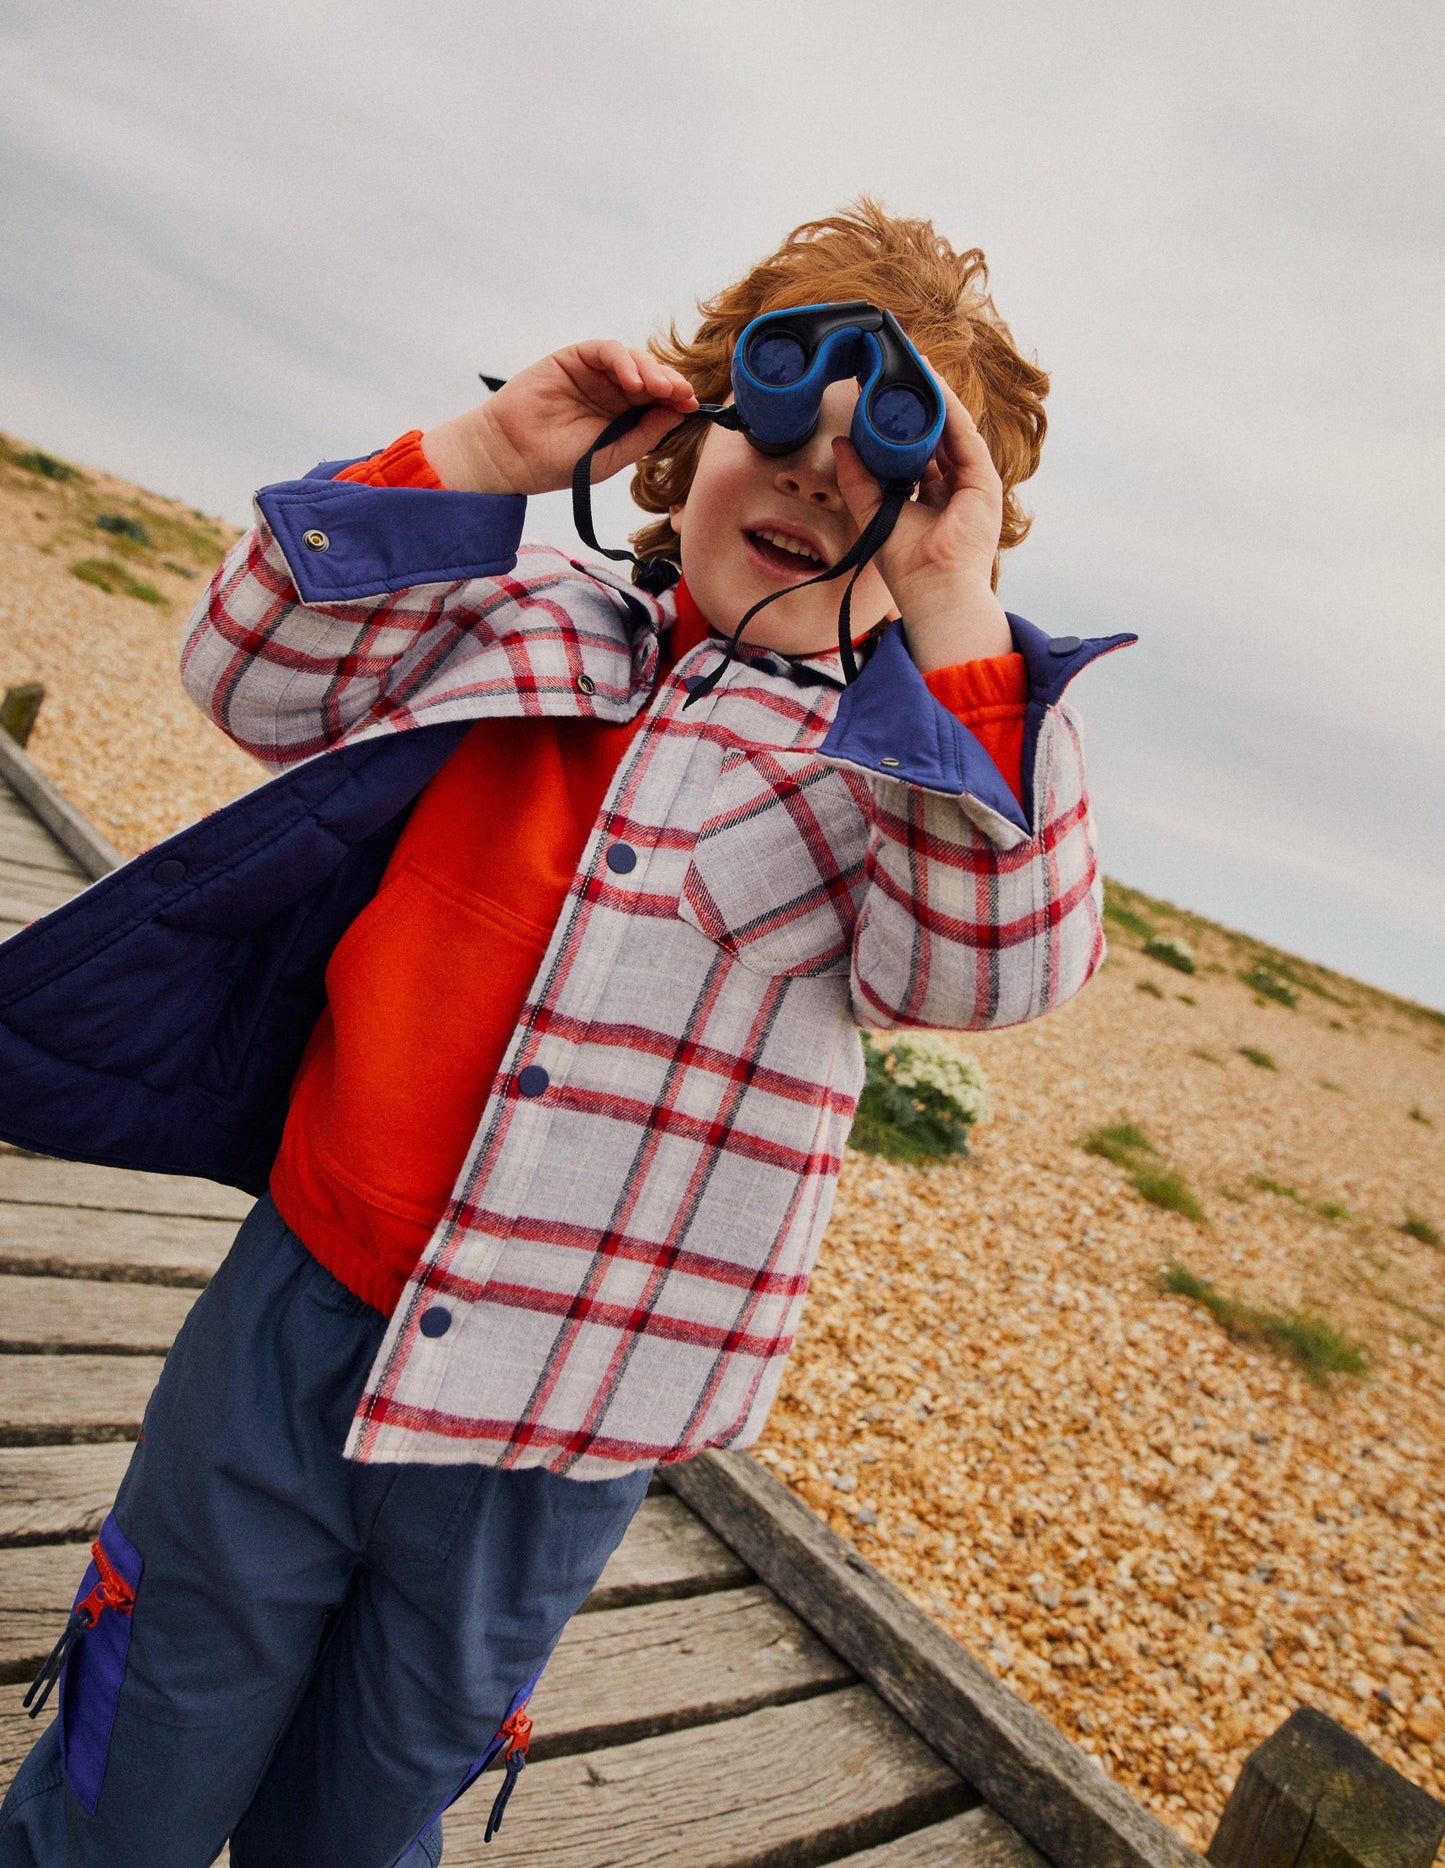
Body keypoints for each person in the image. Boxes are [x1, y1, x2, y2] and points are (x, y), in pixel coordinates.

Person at [0, 200, 1131, 1866]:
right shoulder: (539, 620)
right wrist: (484, 448)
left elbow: (998, 969)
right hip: (302, 1308)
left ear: (929, 532)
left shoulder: (894, 787)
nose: (820, 474)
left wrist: (958, 620)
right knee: (144, 1723)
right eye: (780, 417)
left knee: (381, 1793)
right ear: (688, 439)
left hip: (576, 1410)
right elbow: (247, 667)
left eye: (884, 464)